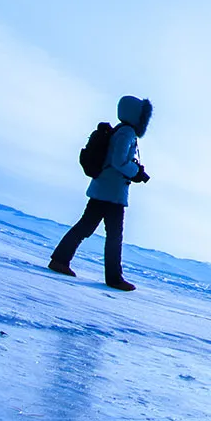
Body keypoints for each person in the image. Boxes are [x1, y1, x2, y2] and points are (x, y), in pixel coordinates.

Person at [49, 95, 152, 290]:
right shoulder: (127, 133)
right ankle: (114, 278)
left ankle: (60, 260)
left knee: (85, 228)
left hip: (104, 189)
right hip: (111, 193)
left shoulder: (120, 130)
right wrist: (136, 172)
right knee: (114, 235)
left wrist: (134, 170)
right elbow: (119, 161)